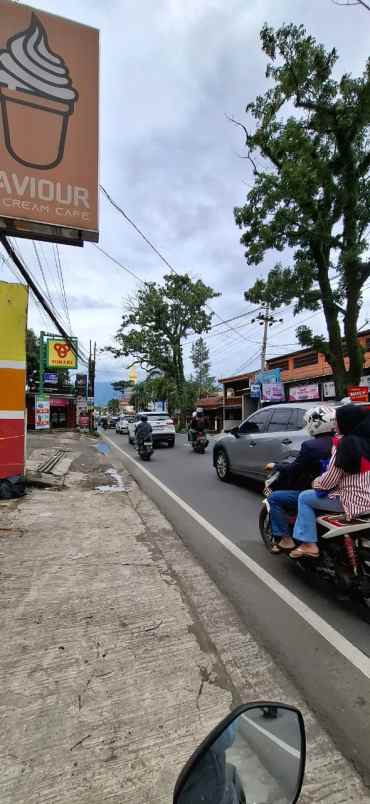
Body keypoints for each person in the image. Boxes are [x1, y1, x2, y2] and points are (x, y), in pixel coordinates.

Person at [289, 404, 370, 558]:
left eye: (337, 421)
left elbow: (329, 481)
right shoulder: (366, 441)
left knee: (304, 497)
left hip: (351, 502)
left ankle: (308, 544)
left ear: (345, 422)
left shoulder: (344, 445)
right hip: (368, 500)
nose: (334, 424)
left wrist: (315, 483)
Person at [268, 406, 336, 554]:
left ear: (314, 423)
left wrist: (277, 466)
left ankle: (286, 540)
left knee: (274, 498)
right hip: (345, 492)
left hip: (322, 492)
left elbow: (294, 469)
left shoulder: (310, 445)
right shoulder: (341, 442)